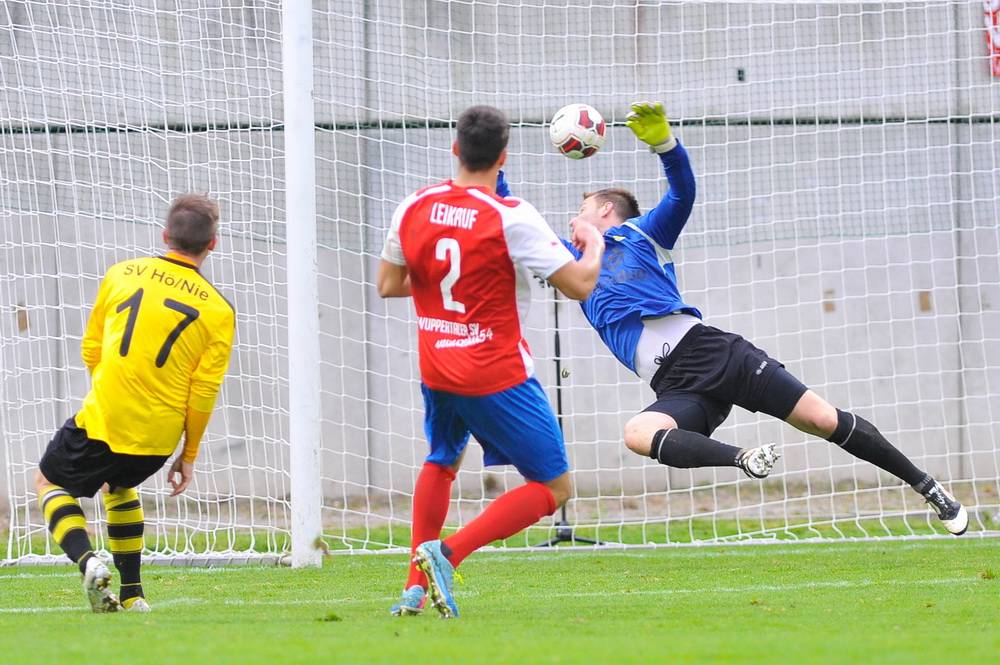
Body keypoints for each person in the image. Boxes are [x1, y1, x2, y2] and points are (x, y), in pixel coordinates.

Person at [498, 101, 968, 536]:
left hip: (714, 352)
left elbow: (682, 193)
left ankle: (927, 486)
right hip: (676, 385)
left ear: (604, 210)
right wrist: (494, 172)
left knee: (822, 419)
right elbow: (514, 222)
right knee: (638, 434)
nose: (574, 217)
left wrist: (666, 145)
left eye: (582, 208)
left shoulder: (643, 234)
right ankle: (744, 458)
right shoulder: (571, 259)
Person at [377, 105, 605, 618]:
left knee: (441, 459)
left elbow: (389, 284)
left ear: (456, 148)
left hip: (437, 363)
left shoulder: (413, 205)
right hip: (494, 372)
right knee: (553, 487)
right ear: (503, 157)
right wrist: (595, 243)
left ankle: (413, 588)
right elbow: (579, 285)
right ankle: (447, 554)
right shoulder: (511, 215)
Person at [34, 194, 236, 612]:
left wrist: (112, 391)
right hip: (158, 440)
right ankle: (132, 595)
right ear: (212, 244)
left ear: (165, 235)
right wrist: (188, 455)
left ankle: (88, 561)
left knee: (48, 483)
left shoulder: (121, 274)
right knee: (120, 484)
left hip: (106, 418)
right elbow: (203, 393)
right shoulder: (218, 309)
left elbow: (91, 348)